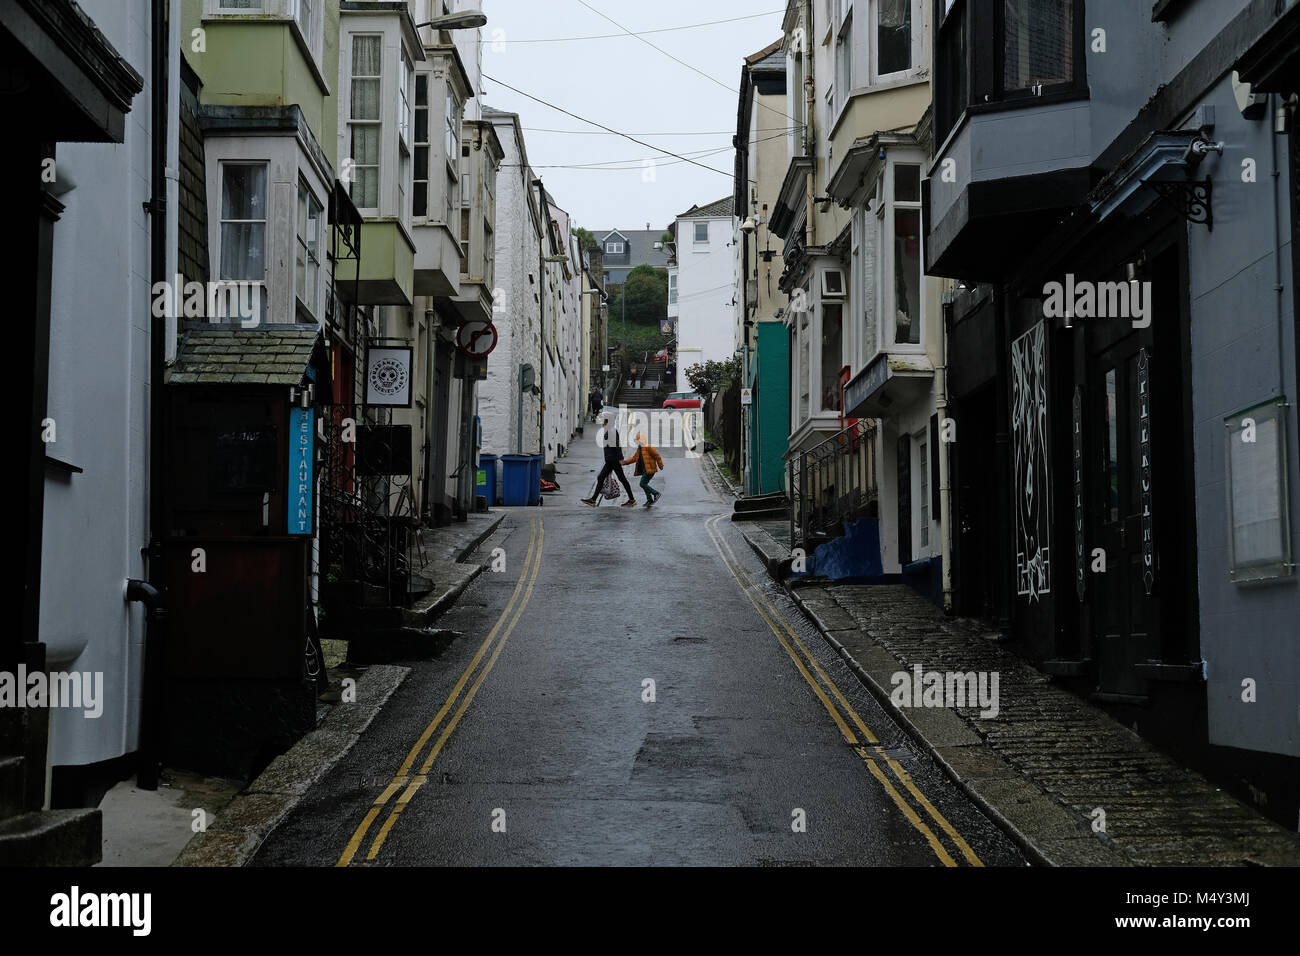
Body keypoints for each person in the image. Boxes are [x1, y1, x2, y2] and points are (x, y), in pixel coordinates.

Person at [581, 415, 637, 507]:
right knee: (601, 477)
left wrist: (621, 459)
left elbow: (617, 446)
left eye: (603, 421)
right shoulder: (609, 430)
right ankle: (593, 500)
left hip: (614, 460)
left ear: (606, 422)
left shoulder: (612, 431)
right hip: (610, 460)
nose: (602, 423)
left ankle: (632, 500)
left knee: (621, 479)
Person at [622, 433, 664, 507]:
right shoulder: (639, 449)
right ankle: (649, 500)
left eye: (638, 441)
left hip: (650, 470)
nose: (637, 443)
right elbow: (634, 458)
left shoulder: (648, 447)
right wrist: (625, 462)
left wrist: (660, 465)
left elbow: (657, 456)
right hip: (645, 470)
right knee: (644, 484)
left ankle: (656, 493)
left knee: (642, 484)